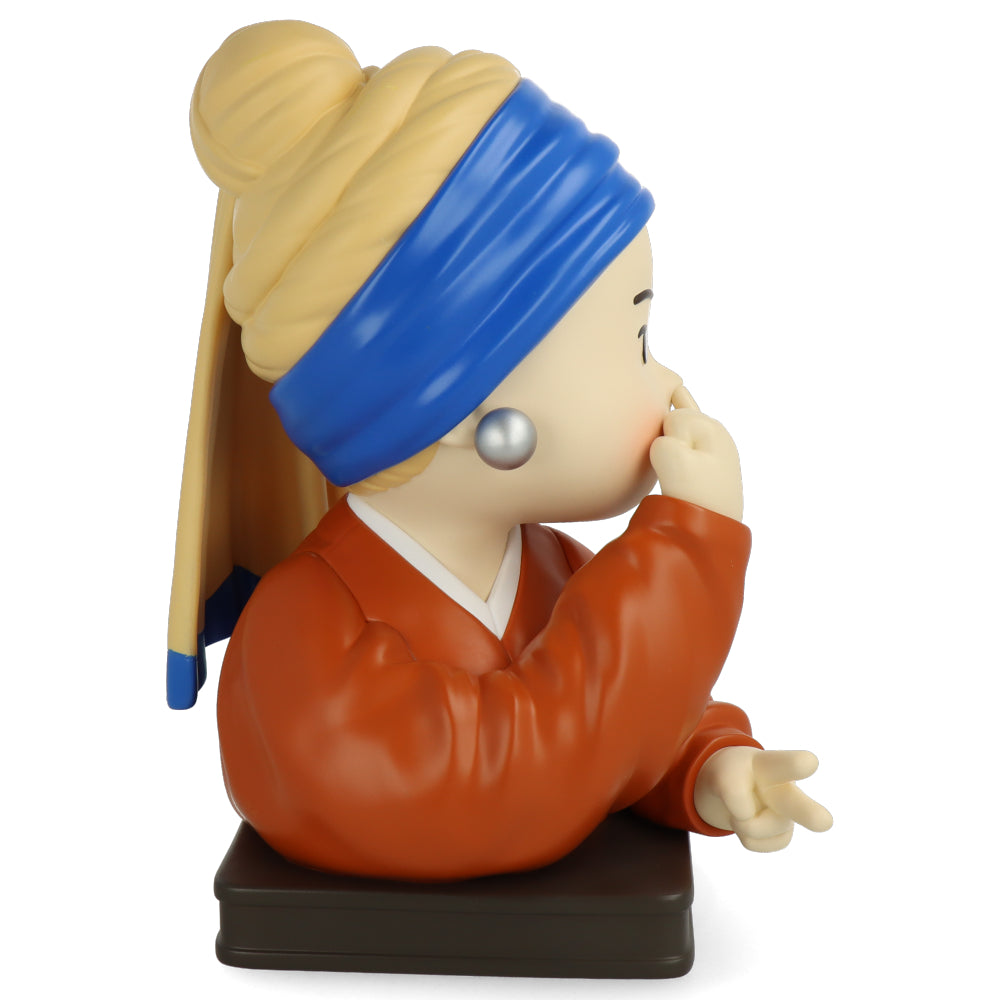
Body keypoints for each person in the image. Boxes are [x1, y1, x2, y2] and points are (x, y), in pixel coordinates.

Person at [167, 19, 831, 880]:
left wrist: (706, 766)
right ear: (456, 405)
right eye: (634, 344)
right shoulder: (297, 637)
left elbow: (627, 721)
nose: (669, 386)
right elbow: (507, 780)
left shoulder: (548, 567)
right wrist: (687, 554)